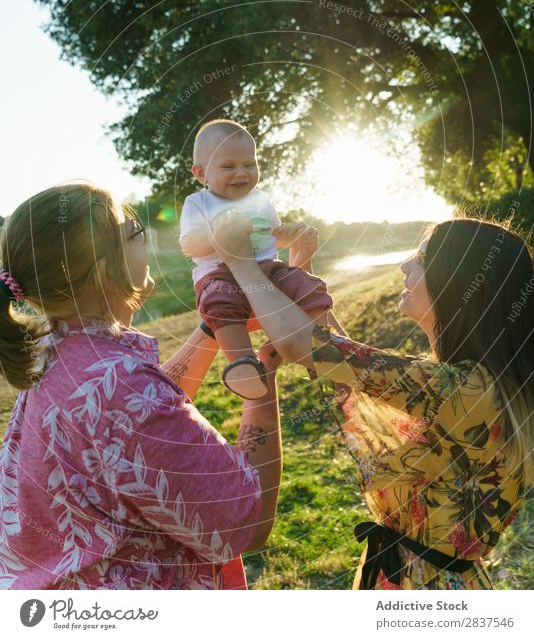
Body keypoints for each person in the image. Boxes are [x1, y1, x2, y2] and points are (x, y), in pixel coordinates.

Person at [208, 211, 534, 590]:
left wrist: (240, 263)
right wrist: (301, 269)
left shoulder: (464, 389)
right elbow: (348, 366)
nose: (404, 265)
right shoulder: (472, 382)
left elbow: (307, 345)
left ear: (459, 285)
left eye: (422, 258)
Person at [0, 182, 282, 590]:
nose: (146, 237)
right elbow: (246, 522)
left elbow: (136, 426)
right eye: (134, 232)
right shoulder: (119, 388)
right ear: (103, 271)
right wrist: (262, 373)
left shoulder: (59, 348)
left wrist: (213, 326)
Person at [179, 119, 333, 399]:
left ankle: (327, 343)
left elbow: (270, 238)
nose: (241, 173)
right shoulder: (198, 203)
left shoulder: (260, 199)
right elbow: (189, 245)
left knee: (306, 283)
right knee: (218, 301)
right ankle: (243, 364)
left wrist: (290, 235)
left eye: (249, 164)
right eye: (228, 167)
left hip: (267, 270)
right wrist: (218, 233)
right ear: (200, 173)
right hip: (220, 273)